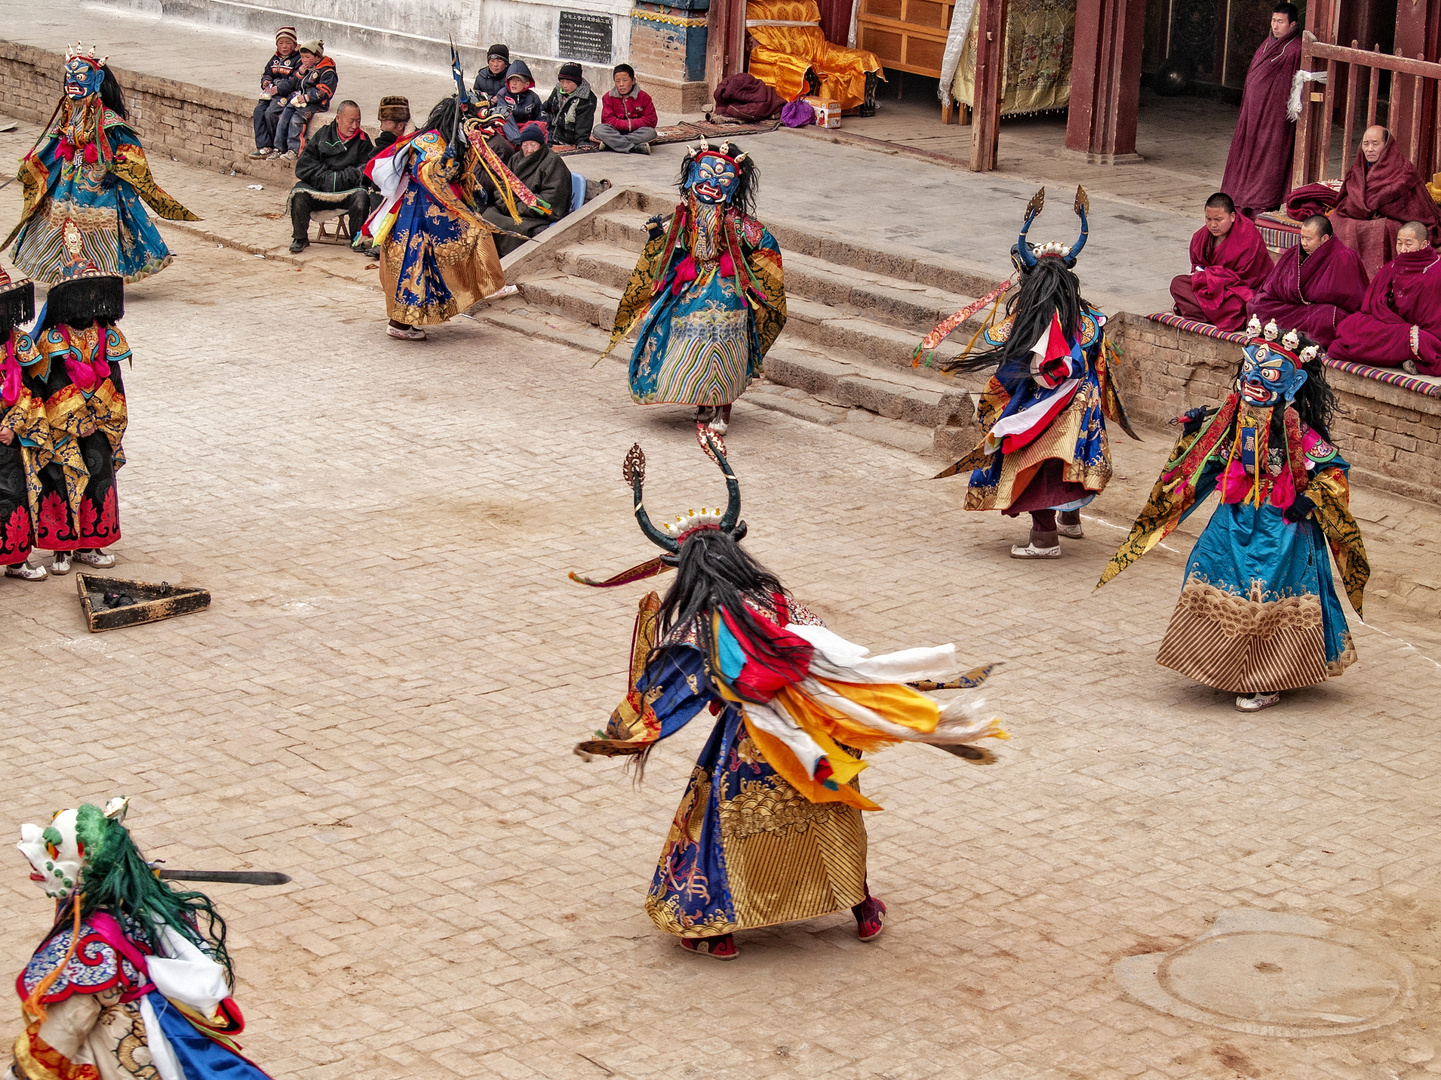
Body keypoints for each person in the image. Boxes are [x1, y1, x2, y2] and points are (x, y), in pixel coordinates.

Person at [570, 440, 1007, 959]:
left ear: (682, 569)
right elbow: (830, 653)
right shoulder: (778, 599)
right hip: (817, 729)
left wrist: (618, 736)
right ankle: (862, 909)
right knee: (832, 810)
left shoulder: (696, 624)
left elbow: (669, 694)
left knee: (722, 821)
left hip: (752, 740)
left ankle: (713, 929)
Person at [1099, 318, 1367, 713]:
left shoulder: (1298, 432)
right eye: (1250, 371)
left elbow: (1332, 472)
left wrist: (1310, 500)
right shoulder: (1230, 421)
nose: (1255, 381)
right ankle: (1219, 664)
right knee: (1207, 568)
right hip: (1235, 515)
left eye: (1268, 375)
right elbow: (1204, 461)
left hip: (1282, 527)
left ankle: (1265, 680)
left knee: (1264, 594)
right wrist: (1192, 432)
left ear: (1290, 386)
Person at [931, 187, 1137, 557]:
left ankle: (1044, 539)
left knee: (1034, 460)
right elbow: (1096, 358)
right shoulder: (1087, 319)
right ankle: (1070, 521)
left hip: (1047, 405)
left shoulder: (1026, 322)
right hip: (1084, 398)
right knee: (1070, 458)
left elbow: (1008, 361)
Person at [9, 797, 277, 1080]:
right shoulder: (141, 900)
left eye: (53, 850)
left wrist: (22, 1073)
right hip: (161, 1028)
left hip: (119, 1047)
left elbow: (69, 1024)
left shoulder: (88, 942)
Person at [603, 141, 786, 435]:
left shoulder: (737, 222)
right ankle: (701, 399)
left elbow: (765, 244)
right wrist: (658, 235)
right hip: (691, 280)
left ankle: (723, 408)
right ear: (692, 176)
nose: (712, 183)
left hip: (727, 287)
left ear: (732, 186)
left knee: (724, 343)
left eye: (723, 179)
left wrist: (750, 275)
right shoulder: (684, 214)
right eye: (706, 174)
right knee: (684, 334)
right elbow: (673, 244)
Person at [5, 48, 198, 284]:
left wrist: (116, 175)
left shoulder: (108, 120)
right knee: (60, 224)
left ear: (96, 81)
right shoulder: (69, 113)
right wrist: (35, 167)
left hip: (100, 185)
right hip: (67, 180)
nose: (72, 83)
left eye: (81, 78)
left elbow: (130, 151)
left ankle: (101, 274)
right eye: (69, 78)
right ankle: (65, 272)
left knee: (99, 228)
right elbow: (56, 143)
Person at [363, 89, 510, 341]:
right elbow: (428, 172)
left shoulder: (458, 142)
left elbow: (459, 174)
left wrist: (472, 185)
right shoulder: (428, 140)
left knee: (445, 254)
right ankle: (400, 321)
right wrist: (444, 164)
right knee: (415, 263)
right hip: (417, 214)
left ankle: (414, 316)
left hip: (436, 212)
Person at [28, 255, 129, 574]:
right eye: (81, 294)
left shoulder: (108, 333)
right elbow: (49, 382)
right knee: (59, 479)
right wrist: (77, 419)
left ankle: (90, 542)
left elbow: (114, 377)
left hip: (100, 419)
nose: (88, 301)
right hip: (62, 425)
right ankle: (61, 548)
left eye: (93, 293)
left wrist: (100, 413)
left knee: (98, 478)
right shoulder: (52, 339)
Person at [1218, 4, 1303, 216]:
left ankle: (1260, 203)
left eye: (1280, 22)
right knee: (1246, 155)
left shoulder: (1294, 49)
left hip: (1273, 119)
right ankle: (1240, 198)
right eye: (1273, 21)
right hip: (1252, 114)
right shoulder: (1267, 45)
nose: (1275, 26)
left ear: (1292, 25)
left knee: (1267, 158)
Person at [1328, 221, 1441, 375]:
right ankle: (1404, 357)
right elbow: (1371, 307)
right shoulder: (1392, 267)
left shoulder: (1436, 272)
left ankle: (1407, 355)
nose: (1402, 249)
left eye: (1408, 244)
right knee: (1351, 325)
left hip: (1419, 332)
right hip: (1391, 327)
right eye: (1399, 243)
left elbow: (1435, 321)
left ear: (1424, 244)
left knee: (1421, 341)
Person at [1330, 125, 1441, 277]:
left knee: (1384, 228)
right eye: (1365, 143)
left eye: (1375, 144)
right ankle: (1343, 275)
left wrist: (1376, 209)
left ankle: (1377, 277)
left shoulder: (1404, 172)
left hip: (1393, 219)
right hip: (1362, 214)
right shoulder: (1359, 168)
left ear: (1386, 146)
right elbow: (1345, 200)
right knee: (1336, 220)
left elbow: (1414, 209)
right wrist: (1364, 209)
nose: (1369, 149)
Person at [1246, 214, 1367, 348]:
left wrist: (1312, 294)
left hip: (1318, 311)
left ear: (1324, 239)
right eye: (1302, 237)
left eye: (1308, 239)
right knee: (1258, 305)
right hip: (1293, 306)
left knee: (1329, 316)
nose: (1303, 243)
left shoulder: (1343, 257)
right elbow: (1272, 286)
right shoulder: (1295, 253)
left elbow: (1352, 301)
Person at [0, 270, 48, 582]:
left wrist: (13, 425)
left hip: (11, 433)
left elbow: (34, 388)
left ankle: (16, 561)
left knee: (13, 493)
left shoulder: (18, 342)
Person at [1169, 192, 1273, 331]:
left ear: (1232, 216)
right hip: (1210, 287)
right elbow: (1196, 268)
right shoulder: (1201, 237)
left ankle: (1205, 314)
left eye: (1218, 219)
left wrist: (1212, 276)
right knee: (1178, 284)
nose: (1213, 225)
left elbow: (1248, 278)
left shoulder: (1248, 237)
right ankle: (1215, 316)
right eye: (1208, 219)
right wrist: (1208, 277)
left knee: (1239, 305)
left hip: (1236, 291)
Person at [286, 100, 375, 254]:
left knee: (361, 197)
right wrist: (326, 178)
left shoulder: (362, 140)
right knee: (299, 195)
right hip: (320, 188)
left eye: (358, 121)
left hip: (347, 191)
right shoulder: (323, 134)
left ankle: (357, 239)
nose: (355, 126)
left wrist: (342, 177)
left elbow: (366, 168)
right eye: (351, 121)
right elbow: (305, 165)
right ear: (338, 118)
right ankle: (300, 238)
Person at [480, 123, 571, 257]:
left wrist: (517, 207)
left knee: (513, 226)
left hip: (535, 213)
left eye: (533, 145)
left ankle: (509, 258)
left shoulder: (552, 162)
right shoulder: (516, 159)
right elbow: (502, 185)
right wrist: (507, 205)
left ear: (540, 145)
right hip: (512, 208)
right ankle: (491, 257)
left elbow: (551, 198)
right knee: (487, 215)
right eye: (525, 145)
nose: (529, 150)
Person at [268, 41, 337, 161]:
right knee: (285, 115)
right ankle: (279, 148)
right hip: (300, 99)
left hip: (316, 103)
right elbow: (294, 84)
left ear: (317, 57)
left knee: (296, 119)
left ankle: (294, 150)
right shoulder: (306, 68)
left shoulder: (327, 71)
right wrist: (299, 73)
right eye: (302, 57)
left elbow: (325, 91)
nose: (304, 60)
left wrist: (307, 97)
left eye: (308, 57)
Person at [249, 26, 303, 159]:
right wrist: (266, 81)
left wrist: (278, 88)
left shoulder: (298, 60)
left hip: (287, 94)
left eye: (288, 43)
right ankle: (263, 146)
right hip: (271, 93)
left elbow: (294, 81)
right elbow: (267, 73)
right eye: (281, 43)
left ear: (294, 44)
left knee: (271, 113)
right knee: (259, 111)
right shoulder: (275, 59)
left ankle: (276, 145)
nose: (284, 46)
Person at [593, 64, 658, 154]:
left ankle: (611, 144)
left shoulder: (644, 97)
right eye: (617, 81)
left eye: (625, 80)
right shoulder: (608, 97)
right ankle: (634, 148)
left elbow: (651, 120)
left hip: (637, 132)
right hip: (615, 131)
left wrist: (630, 125)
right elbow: (607, 120)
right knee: (598, 130)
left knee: (651, 133)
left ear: (633, 81)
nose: (621, 84)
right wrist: (624, 125)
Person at [543, 62, 596, 148]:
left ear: (577, 82)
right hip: (551, 131)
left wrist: (582, 141)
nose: (564, 85)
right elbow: (547, 107)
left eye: (568, 82)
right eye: (562, 81)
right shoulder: (557, 90)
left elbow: (584, 124)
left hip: (569, 137)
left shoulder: (586, 98)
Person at [497, 60, 545, 145]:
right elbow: (505, 118)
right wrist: (516, 139)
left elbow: (541, 118)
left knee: (540, 126)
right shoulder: (502, 95)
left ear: (526, 84)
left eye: (518, 80)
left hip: (526, 129)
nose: (514, 83)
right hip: (509, 130)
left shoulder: (533, 97)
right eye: (511, 80)